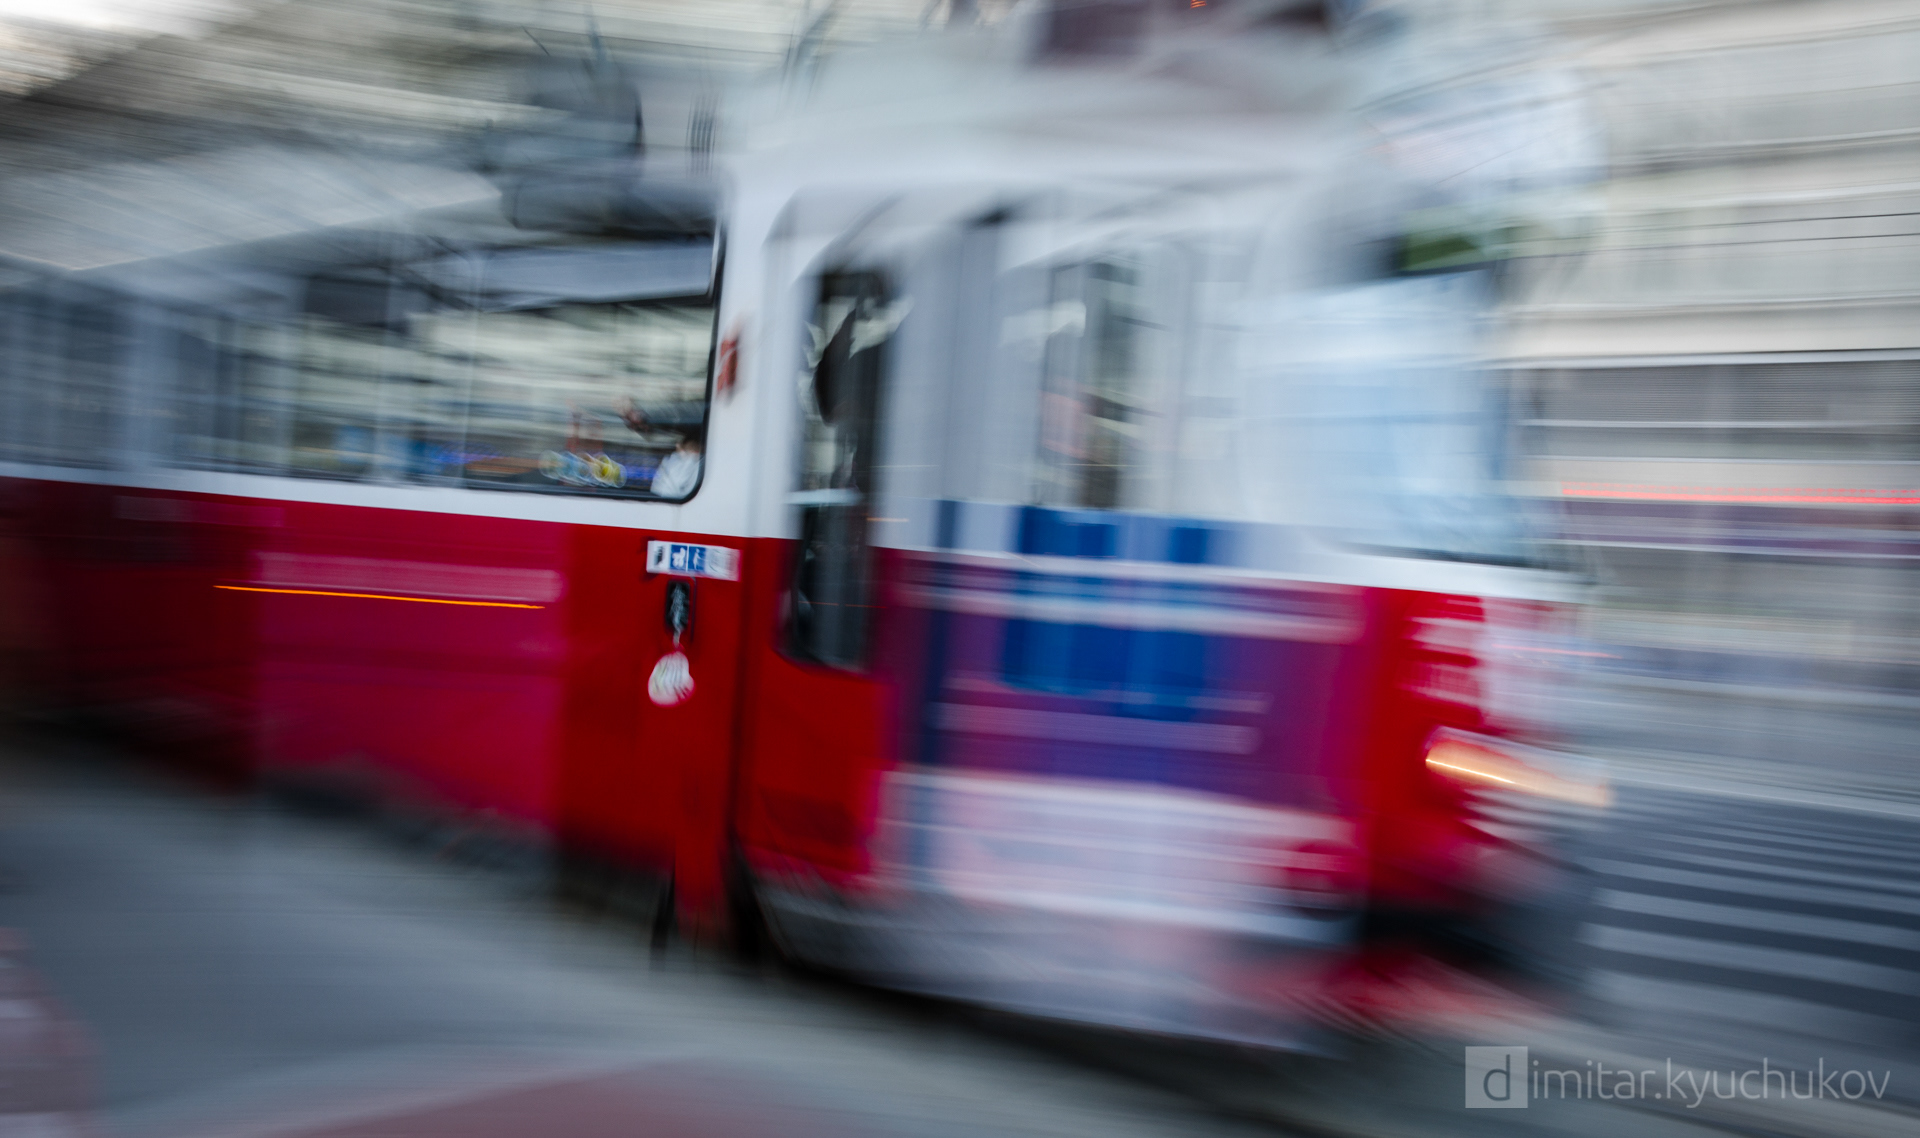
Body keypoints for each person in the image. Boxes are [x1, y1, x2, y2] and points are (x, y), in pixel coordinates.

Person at [648, 433, 702, 498]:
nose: (694, 452)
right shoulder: (672, 460)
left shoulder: (697, 464)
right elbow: (663, 488)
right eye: (692, 447)